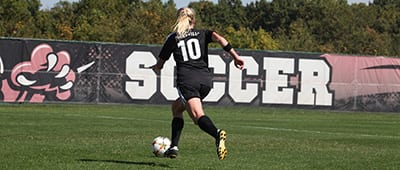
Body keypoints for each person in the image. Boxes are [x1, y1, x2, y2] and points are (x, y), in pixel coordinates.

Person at [151, 7, 244, 160]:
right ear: (193, 21)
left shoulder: (173, 38)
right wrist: (236, 57)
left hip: (188, 81)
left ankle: (217, 134)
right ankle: (173, 147)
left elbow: (160, 64)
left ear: (178, 19)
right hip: (205, 81)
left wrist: (155, 67)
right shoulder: (204, 33)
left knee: (197, 116)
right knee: (177, 107)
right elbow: (221, 39)